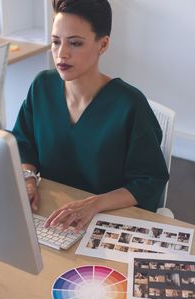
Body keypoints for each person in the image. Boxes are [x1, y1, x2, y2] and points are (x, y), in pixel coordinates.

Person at [12, 0, 169, 233]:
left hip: (106, 222)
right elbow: (23, 144)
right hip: (49, 215)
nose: (61, 53)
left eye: (75, 43)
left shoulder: (130, 105)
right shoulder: (42, 86)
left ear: (103, 44)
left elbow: (149, 181)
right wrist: (28, 180)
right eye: (56, 42)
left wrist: (96, 203)